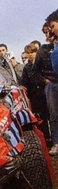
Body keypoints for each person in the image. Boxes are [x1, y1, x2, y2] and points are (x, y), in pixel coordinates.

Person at [33, 15, 58, 155]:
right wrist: (45, 80)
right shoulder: (43, 50)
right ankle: (56, 143)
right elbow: (35, 71)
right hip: (52, 85)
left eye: (51, 30)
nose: (50, 34)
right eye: (47, 32)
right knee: (54, 115)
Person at [21, 43, 51, 143]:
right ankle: (45, 139)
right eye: (28, 53)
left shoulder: (43, 64)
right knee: (39, 119)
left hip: (46, 93)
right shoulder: (26, 68)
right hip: (34, 97)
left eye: (32, 52)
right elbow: (24, 83)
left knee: (50, 116)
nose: (30, 55)